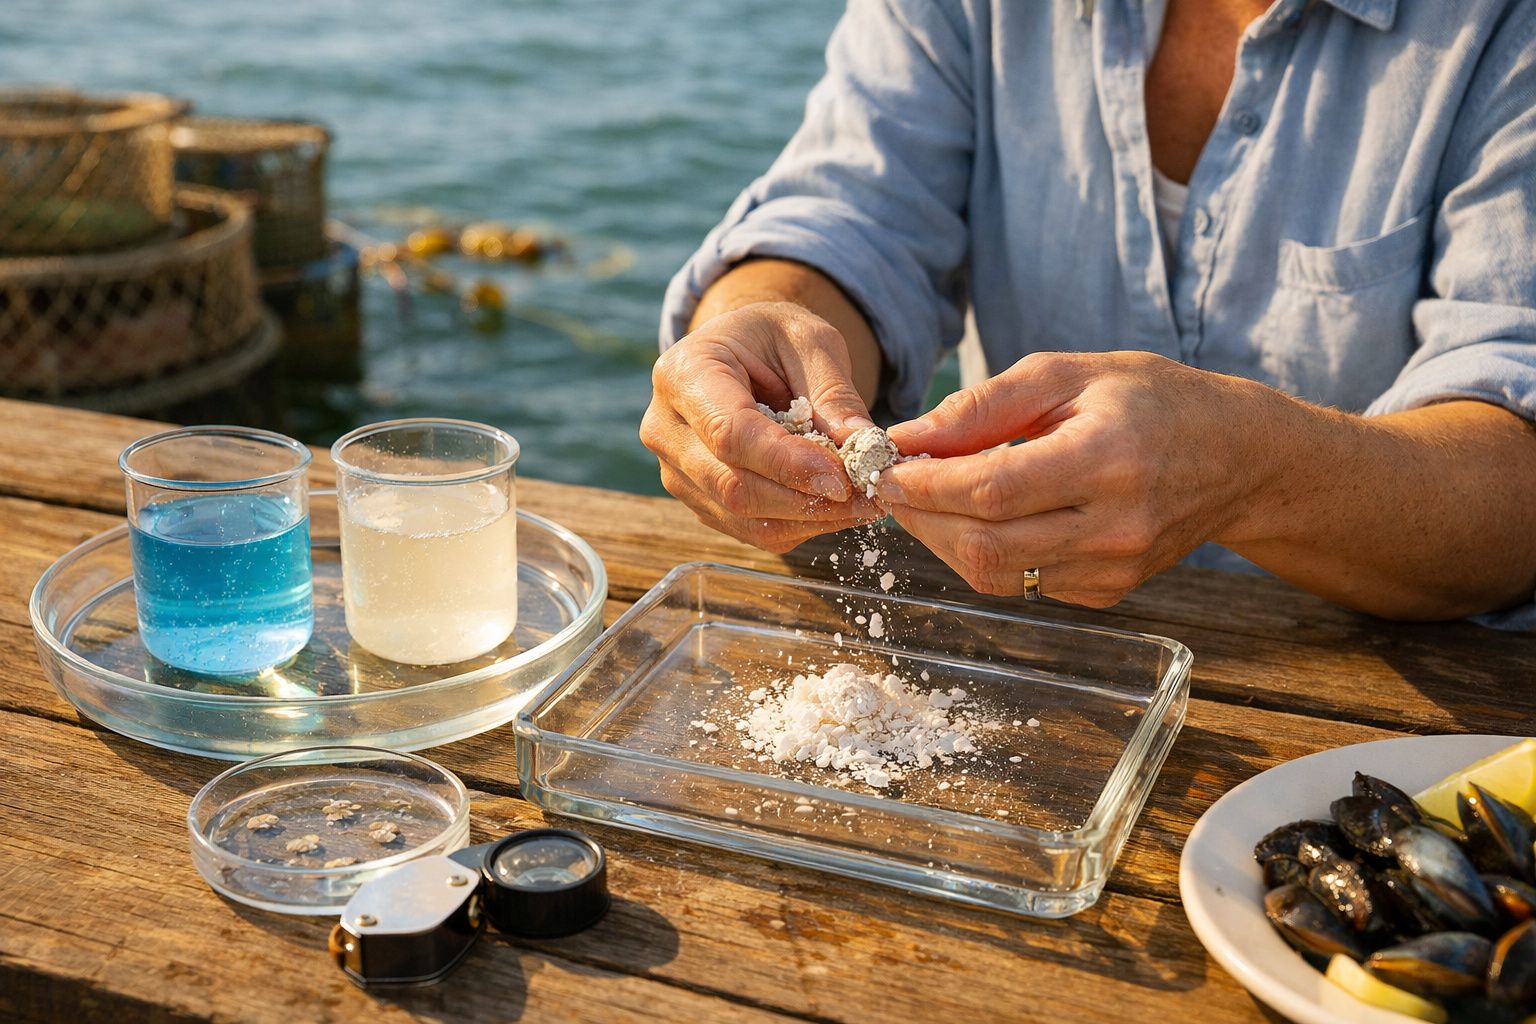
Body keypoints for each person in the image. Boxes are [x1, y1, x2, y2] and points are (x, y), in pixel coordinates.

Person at [642, 0, 1536, 627]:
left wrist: (1251, 466)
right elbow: (853, 210)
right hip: (1025, 645)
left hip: (1390, 701)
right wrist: (760, 323)